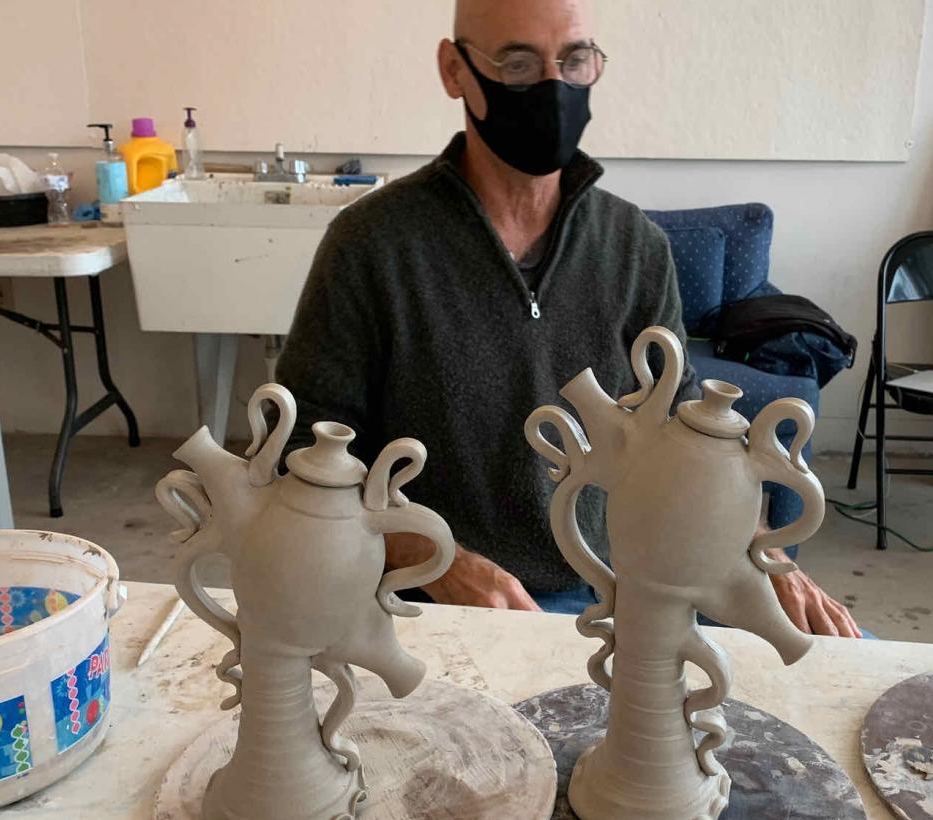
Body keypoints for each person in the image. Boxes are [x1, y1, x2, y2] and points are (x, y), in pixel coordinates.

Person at [276, 0, 859, 638]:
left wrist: (762, 553)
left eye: (574, 60)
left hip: (621, 591)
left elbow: (686, 441)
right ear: (453, 70)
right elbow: (300, 449)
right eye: (519, 63)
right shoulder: (373, 245)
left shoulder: (634, 246)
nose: (554, 88)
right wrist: (429, 555)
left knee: (844, 672)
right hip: (434, 611)